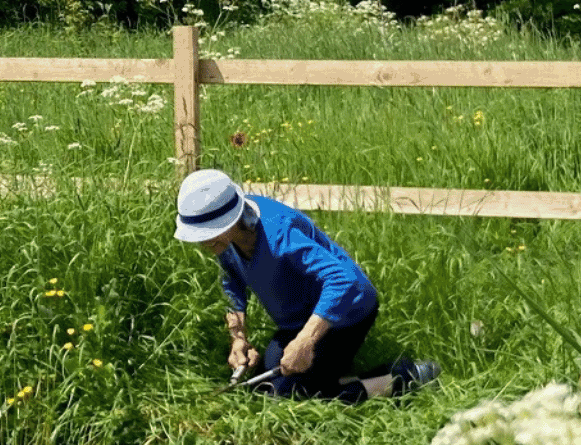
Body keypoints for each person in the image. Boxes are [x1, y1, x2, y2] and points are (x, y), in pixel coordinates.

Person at [174, 169, 437, 401]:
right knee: (264, 389)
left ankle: (406, 377)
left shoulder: (279, 232)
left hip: (344, 313)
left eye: (209, 234)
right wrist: (238, 338)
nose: (204, 243)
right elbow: (232, 282)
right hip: (295, 320)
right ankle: (343, 378)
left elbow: (342, 280)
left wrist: (305, 342)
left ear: (233, 219)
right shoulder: (225, 240)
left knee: (293, 397)